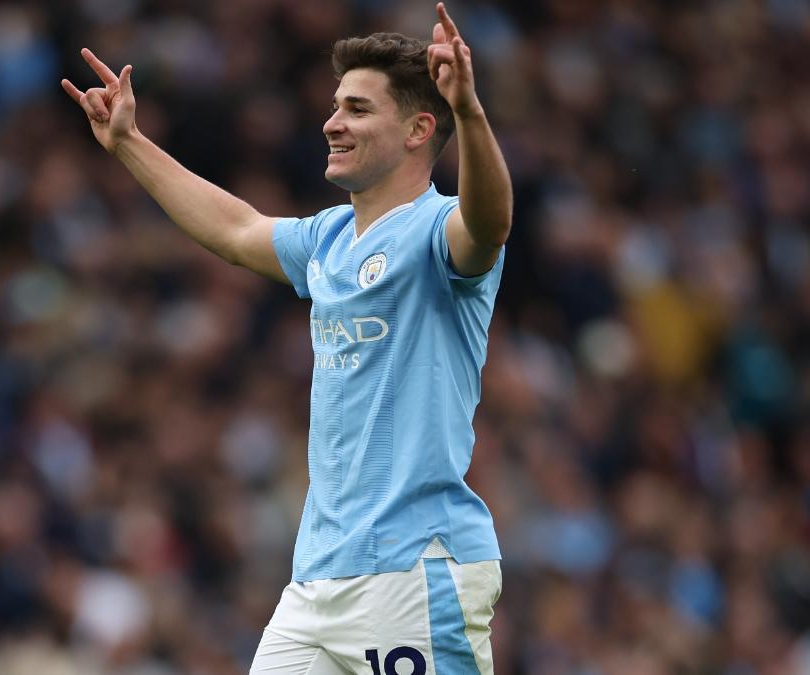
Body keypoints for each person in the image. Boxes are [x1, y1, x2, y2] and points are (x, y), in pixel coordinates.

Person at [62, 3, 511, 673]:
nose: (332, 122)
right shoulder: (328, 239)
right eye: (335, 106)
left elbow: (490, 220)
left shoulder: (439, 231)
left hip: (414, 570)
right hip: (317, 580)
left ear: (420, 128)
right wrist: (128, 142)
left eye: (358, 109)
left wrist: (470, 113)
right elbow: (237, 230)